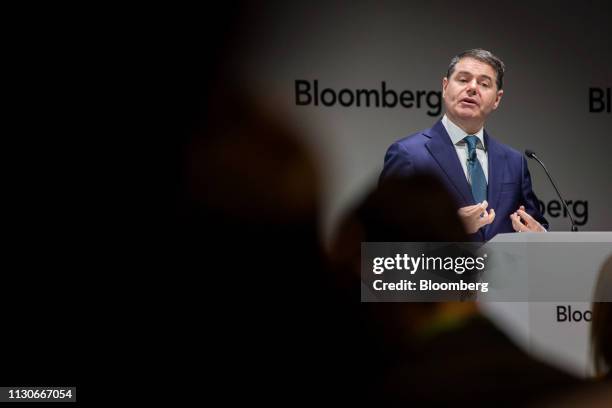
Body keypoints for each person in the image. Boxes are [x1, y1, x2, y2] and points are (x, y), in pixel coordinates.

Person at [380, 49, 548, 241]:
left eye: (484, 84)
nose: (472, 88)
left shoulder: (514, 162)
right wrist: (449, 226)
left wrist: (540, 235)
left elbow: (534, 223)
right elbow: (384, 234)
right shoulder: (408, 154)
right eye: (463, 80)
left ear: (497, 99)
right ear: (445, 87)